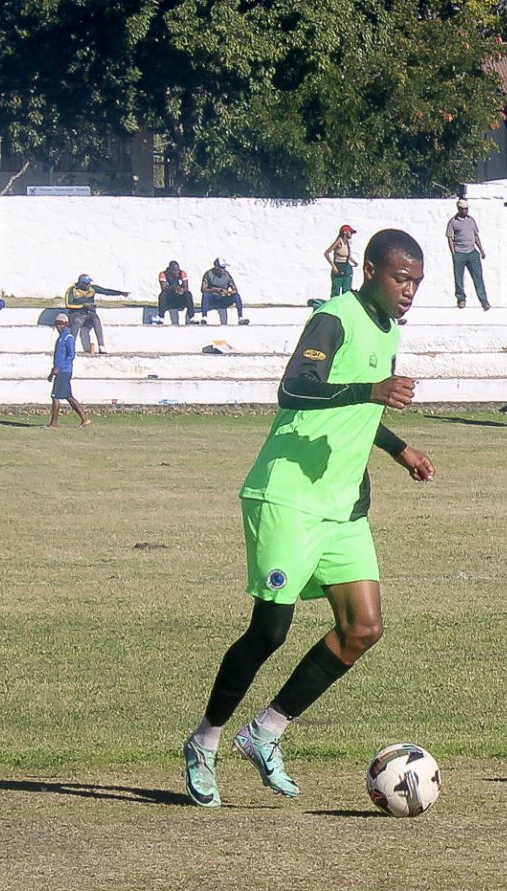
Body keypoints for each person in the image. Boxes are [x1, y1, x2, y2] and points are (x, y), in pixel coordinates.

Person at [181, 229, 436, 809]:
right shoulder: (334, 317)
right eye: (401, 278)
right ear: (369, 271)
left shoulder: (388, 330)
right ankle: (205, 740)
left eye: (417, 283)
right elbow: (295, 388)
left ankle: (265, 732)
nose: (409, 291)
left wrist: (400, 450)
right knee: (270, 631)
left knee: (363, 628)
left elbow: (360, 410)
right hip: (289, 497)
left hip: (343, 506)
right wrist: (371, 387)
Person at [46, 312, 91, 428]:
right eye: (57, 324)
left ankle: (54, 423)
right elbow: (58, 357)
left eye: (61, 324)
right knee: (68, 396)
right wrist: (52, 372)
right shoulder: (60, 338)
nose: (58, 326)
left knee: (55, 396)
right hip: (60, 371)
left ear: (66, 324)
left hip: (64, 371)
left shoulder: (68, 338)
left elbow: (70, 356)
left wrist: (59, 368)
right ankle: (84, 419)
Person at [64, 273, 129, 354]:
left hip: (89, 313)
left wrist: (120, 293)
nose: (89, 285)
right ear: (81, 284)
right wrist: (82, 306)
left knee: (96, 320)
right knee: (77, 322)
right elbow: (68, 304)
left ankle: (101, 345)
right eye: (86, 284)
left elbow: (105, 291)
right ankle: (71, 345)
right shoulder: (72, 289)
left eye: (89, 283)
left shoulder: (92, 288)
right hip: (76, 313)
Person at [446, 198, 490, 310]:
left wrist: (481, 250)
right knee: (459, 279)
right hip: (459, 253)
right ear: (458, 209)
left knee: (478, 277)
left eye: (466, 209)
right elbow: (450, 238)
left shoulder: (471, 220)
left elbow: (476, 236)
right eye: (463, 209)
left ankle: (484, 300)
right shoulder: (453, 222)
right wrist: (454, 253)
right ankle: (461, 299)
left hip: (472, 252)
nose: (465, 211)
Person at [199, 259, 250, 326]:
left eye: (224, 267)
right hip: (212, 298)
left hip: (223, 299)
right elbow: (203, 289)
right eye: (222, 267)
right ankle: (204, 317)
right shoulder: (209, 274)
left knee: (236, 296)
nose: (223, 269)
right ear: (216, 267)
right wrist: (216, 290)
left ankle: (240, 317)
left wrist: (227, 292)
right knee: (205, 295)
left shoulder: (227, 275)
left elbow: (235, 289)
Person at [156, 261, 196, 325]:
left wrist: (182, 290)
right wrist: (174, 287)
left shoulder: (182, 273)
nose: (176, 272)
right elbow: (164, 287)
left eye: (177, 270)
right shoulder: (163, 274)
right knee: (162, 295)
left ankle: (192, 317)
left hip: (179, 298)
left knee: (188, 294)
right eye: (174, 270)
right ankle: (161, 317)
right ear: (170, 269)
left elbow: (186, 287)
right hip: (170, 298)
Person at [325, 225, 357, 297]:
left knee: (347, 290)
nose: (351, 234)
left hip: (347, 267)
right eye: (350, 232)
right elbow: (327, 253)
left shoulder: (347, 243)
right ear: (345, 232)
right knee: (336, 290)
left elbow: (346, 255)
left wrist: (354, 262)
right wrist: (333, 266)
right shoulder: (339, 242)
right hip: (338, 266)